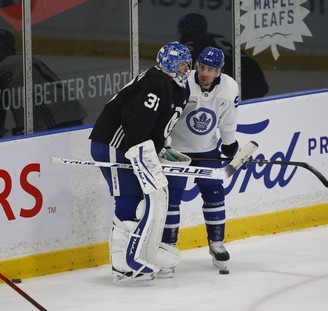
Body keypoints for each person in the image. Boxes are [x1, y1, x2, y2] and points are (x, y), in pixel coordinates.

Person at [89, 42, 192, 286]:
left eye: (188, 64)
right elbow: (135, 120)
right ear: (168, 64)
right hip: (116, 145)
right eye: (181, 65)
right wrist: (143, 154)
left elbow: (160, 125)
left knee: (137, 204)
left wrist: (162, 148)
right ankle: (123, 267)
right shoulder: (156, 81)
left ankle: (129, 260)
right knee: (127, 202)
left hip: (131, 148)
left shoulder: (177, 87)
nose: (187, 70)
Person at [161, 46, 242, 277]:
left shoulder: (229, 88)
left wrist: (228, 144)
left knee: (214, 191)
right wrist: (163, 144)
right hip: (176, 151)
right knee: (171, 199)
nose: (205, 73)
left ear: (219, 71)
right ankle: (167, 248)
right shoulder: (182, 81)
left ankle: (216, 242)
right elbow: (167, 116)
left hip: (207, 150)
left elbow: (228, 121)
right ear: (197, 65)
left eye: (211, 69)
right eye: (202, 67)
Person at [0, 29, 87, 137]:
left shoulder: (7, 65)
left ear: (2, 48)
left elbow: (18, 97)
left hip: (56, 116)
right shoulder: (20, 59)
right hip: (67, 112)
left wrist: (22, 128)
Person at [177, 13, 269, 100]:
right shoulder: (216, 37)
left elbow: (187, 70)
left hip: (230, 74)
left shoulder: (190, 42)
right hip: (253, 69)